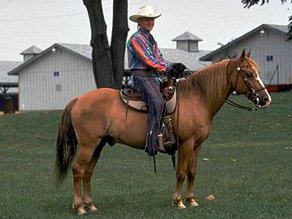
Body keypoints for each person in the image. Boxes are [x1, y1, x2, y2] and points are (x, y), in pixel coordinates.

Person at [127, 5, 186, 156]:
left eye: (152, 19)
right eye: (147, 19)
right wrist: (167, 68)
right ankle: (152, 140)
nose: (150, 22)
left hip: (153, 76)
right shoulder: (136, 38)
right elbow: (148, 60)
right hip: (141, 76)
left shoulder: (151, 39)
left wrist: (172, 66)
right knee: (157, 101)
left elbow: (158, 58)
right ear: (139, 21)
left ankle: (170, 134)